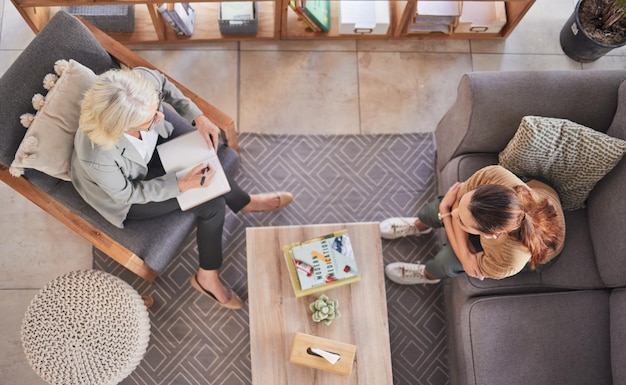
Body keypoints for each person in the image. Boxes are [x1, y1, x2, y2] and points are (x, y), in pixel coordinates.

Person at [70, 67, 293, 309]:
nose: (163, 118)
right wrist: (180, 184)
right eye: (151, 120)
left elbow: (163, 83)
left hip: (149, 152)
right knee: (212, 203)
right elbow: (128, 193)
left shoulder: (136, 85)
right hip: (127, 195)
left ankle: (242, 202)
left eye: (158, 109)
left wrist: (198, 116)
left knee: (204, 159)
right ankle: (206, 276)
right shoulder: (97, 154)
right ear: (122, 129)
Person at [381, 165, 565, 284]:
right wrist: (446, 211)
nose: (454, 214)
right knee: (435, 209)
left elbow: (469, 265)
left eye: (461, 220)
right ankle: (419, 225)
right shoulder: (495, 175)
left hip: (532, 253)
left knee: (446, 263)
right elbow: (456, 205)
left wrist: (446, 212)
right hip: (531, 198)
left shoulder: (510, 259)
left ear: (489, 235)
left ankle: (427, 275)